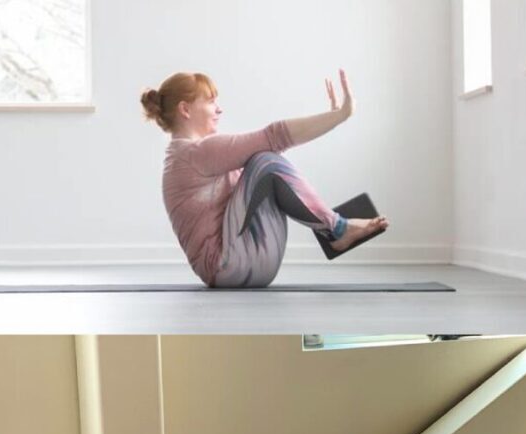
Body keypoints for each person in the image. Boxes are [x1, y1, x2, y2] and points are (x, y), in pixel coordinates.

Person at [139, 69, 389, 287]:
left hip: (237, 267)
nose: (219, 108)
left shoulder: (186, 155)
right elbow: (274, 136)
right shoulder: (195, 154)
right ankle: (337, 229)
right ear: (185, 109)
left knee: (259, 162)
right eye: (211, 101)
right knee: (265, 162)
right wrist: (338, 117)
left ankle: (334, 230)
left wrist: (330, 119)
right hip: (230, 267)